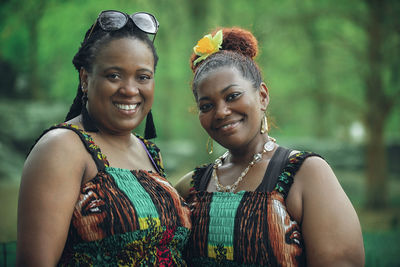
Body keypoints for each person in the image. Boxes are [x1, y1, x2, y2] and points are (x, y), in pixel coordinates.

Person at [175, 27, 364, 266]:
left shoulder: (306, 174)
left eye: (232, 96)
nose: (221, 112)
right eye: (206, 106)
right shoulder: (189, 186)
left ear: (262, 96)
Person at [17, 10, 191, 266]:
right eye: (114, 76)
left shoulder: (150, 152)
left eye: (143, 77)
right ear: (85, 79)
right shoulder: (62, 147)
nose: (130, 90)